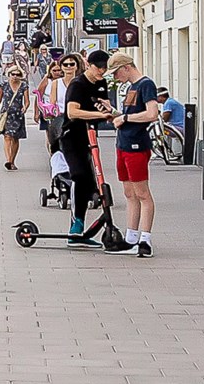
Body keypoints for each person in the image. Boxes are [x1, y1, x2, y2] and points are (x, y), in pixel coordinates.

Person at [60, 48, 130, 251]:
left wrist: (112, 113)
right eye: (98, 68)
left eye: (104, 69)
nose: (101, 72)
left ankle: (82, 231)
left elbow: (104, 104)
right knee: (80, 176)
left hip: (90, 137)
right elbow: (72, 112)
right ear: (89, 65)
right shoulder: (78, 84)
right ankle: (76, 224)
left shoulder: (101, 83)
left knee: (93, 182)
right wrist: (98, 115)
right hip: (72, 137)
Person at [111, 49, 159, 256]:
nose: (115, 77)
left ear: (126, 67)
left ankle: (145, 239)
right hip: (124, 143)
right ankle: (131, 236)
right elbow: (130, 114)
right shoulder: (132, 87)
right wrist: (115, 113)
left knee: (142, 193)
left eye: (116, 72)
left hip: (136, 145)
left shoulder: (145, 84)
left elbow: (151, 114)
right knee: (129, 193)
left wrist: (126, 119)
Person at [0, 53, 34, 170]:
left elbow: (27, 101)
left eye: (17, 74)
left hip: (18, 115)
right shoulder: (3, 85)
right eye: (13, 74)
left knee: (15, 138)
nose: (15, 76)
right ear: (8, 74)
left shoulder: (23, 86)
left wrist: (25, 108)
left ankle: (12, 160)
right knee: (7, 137)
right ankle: (8, 161)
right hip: (6, 114)